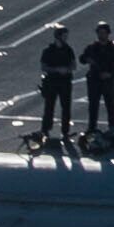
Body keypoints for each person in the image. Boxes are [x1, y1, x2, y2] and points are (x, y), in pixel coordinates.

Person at [84, 20, 114, 152]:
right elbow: (82, 58)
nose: (101, 35)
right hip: (94, 81)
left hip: (108, 82)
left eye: (103, 33)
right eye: (100, 33)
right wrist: (88, 59)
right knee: (93, 107)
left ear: (108, 34)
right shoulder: (92, 47)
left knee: (111, 107)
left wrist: (110, 74)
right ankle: (91, 130)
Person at [35, 23, 77, 151]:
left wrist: (66, 70)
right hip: (52, 81)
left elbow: (73, 65)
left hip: (65, 82)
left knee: (66, 107)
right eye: (64, 35)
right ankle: (45, 129)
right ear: (58, 36)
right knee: (49, 106)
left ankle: (65, 131)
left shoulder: (68, 50)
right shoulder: (49, 51)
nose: (66, 38)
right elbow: (43, 66)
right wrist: (57, 69)